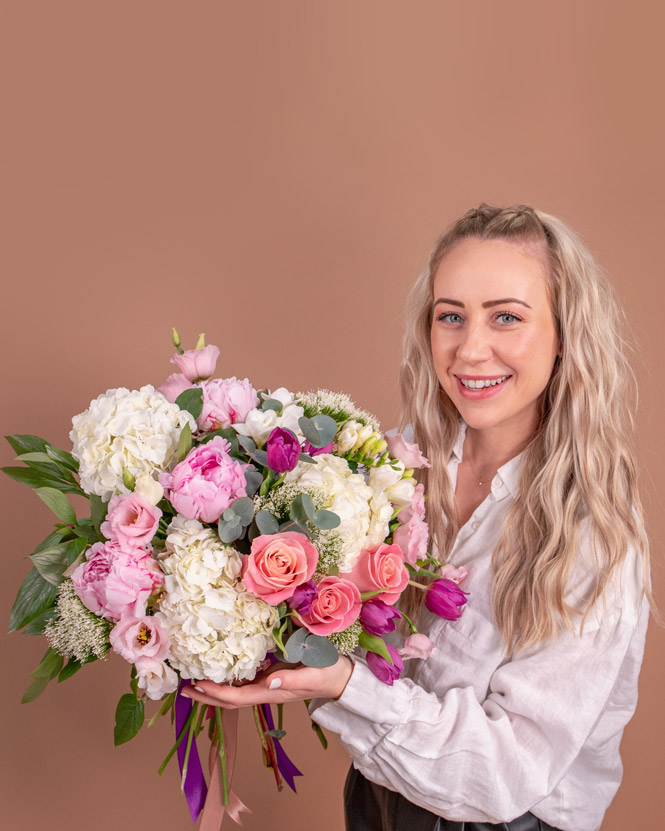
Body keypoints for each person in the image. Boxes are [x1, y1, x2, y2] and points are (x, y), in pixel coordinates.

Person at [182, 204, 653, 831]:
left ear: (566, 334)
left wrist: (339, 684)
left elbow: (501, 777)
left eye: (506, 317)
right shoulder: (392, 468)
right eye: (450, 317)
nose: (470, 349)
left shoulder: (593, 535)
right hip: (379, 798)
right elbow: (331, 623)